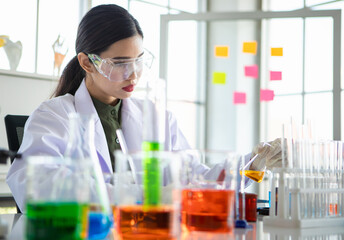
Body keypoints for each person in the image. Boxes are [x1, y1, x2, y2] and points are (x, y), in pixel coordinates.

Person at [6, 4, 284, 212]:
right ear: (87, 63)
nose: (134, 75)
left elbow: (194, 179)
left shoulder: (155, 117)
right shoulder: (55, 116)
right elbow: (36, 188)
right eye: (120, 63)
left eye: (139, 60)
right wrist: (143, 196)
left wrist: (251, 166)